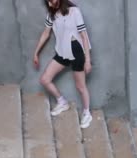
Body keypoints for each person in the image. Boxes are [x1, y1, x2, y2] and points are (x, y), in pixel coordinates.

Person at [33, 0, 93, 128]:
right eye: (47, 2)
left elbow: (84, 36)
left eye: (51, 0)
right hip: (62, 51)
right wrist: (36, 53)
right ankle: (62, 102)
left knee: (80, 86)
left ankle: (87, 113)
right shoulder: (52, 15)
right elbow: (46, 33)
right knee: (45, 79)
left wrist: (87, 60)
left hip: (77, 50)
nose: (50, 4)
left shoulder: (74, 12)